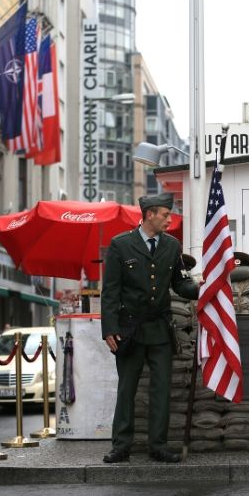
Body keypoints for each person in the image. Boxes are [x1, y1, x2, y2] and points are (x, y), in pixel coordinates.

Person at [101, 193, 200, 464]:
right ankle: (121, 447)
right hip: (129, 329)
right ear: (149, 215)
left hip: (160, 328)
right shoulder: (121, 245)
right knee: (127, 390)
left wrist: (203, 289)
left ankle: (158, 446)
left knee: (161, 390)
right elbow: (110, 291)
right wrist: (109, 328)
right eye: (165, 215)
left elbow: (180, 284)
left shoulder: (172, 245)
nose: (169, 220)